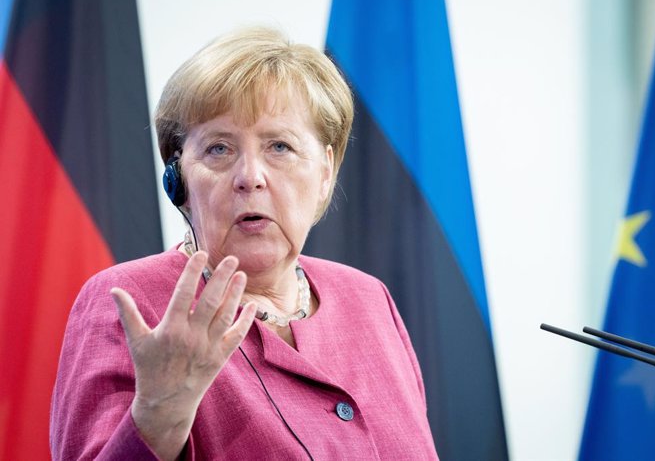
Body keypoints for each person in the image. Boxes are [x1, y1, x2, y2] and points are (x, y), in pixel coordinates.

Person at [50, 27, 438, 460]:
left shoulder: (368, 298)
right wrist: (158, 417)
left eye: (280, 147)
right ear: (177, 179)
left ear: (326, 171)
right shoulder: (132, 303)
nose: (250, 176)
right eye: (219, 149)